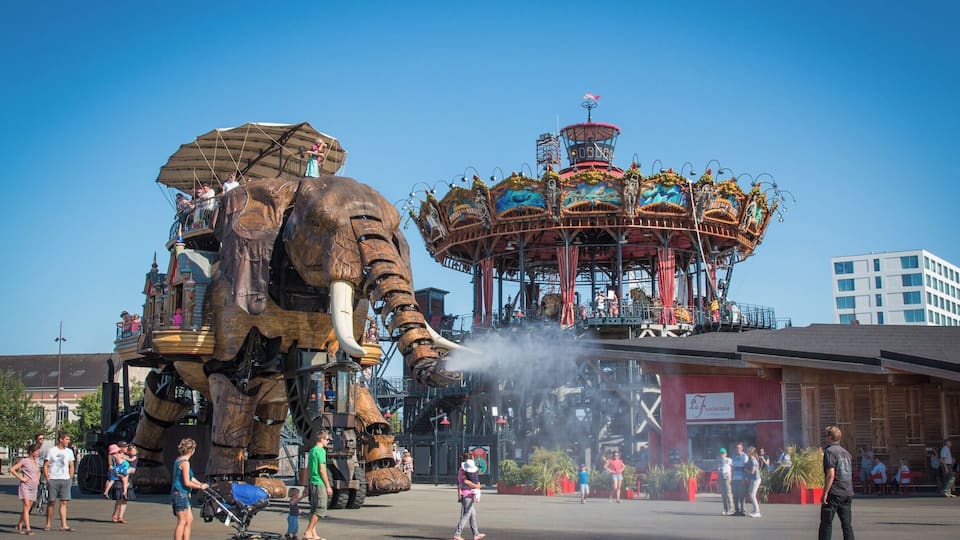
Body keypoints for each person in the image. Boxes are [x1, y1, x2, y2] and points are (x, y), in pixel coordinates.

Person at [819, 425, 855, 540]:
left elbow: (831, 474)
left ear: (830, 437)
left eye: (826, 436)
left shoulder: (829, 452)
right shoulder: (846, 452)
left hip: (834, 492)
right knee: (847, 525)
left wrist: (825, 493)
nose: (825, 438)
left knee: (826, 523)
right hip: (847, 491)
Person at [171, 438, 209, 540]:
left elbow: (191, 477)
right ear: (192, 450)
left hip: (182, 493)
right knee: (182, 520)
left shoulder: (179, 459)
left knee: (189, 519)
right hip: (180, 493)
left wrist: (201, 483)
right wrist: (200, 487)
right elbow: (187, 482)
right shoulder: (185, 463)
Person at [42, 431, 75, 532]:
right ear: (60, 439)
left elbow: (71, 465)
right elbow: (46, 465)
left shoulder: (69, 451)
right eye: (66, 439)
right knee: (51, 502)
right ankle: (48, 524)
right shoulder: (51, 451)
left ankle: (64, 524)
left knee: (64, 502)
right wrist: (48, 479)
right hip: (53, 478)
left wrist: (70, 477)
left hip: (65, 479)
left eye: (69, 440)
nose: (68, 442)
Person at [304, 430, 333, 540]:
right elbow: (322, 470)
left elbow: (308, 468)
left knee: (314, 509)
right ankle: (308, 531)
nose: (328, 441)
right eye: (327, 439)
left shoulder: (312, 451)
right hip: (319, 483)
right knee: (320, 509)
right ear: (321, 439)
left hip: (312, 482)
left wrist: (306, 485)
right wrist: (328, 486)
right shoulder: (321, 451)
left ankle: (313, 534)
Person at [12, 442, 42, 535]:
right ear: (31, 452)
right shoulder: (25, 461)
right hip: (25, 486)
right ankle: (28, 528)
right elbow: (12, 469)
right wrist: (21, 478)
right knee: (26, 505)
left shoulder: (36, 461)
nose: (37, 453)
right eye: (36, 451)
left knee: (28, 507)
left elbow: (38, 472)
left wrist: (38, 479)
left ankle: (19, 524)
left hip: (34, 486)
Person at [453, 458, 485, 540]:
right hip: (467, 495)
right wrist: (477, 486)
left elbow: (460, 484)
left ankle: (476, 534)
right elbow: (467, 483)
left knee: (472, 514)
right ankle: (457, 534)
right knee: (467, 515)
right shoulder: (465, 475)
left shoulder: (463, 472)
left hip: (467, 495)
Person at [730, 442, 747, 516]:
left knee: (742, 495)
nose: (738, 449)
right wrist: (731, 478)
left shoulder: (745, 456)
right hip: (735, 478)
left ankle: (743, 511)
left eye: (739, 448)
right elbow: (732, 468)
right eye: (737, 448)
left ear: (742, 448)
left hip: (741, 479)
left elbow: (745, 468)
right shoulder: (733, 457)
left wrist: (744, 478)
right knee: (735, 495)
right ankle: (737, 510)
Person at [745, 446, 762, 518]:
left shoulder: (753, 460)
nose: (747, 452)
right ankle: (754, 510)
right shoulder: (750, 459)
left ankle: (757, 512)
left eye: (748, 451)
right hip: (753, 479)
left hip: (756, 479)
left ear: (751, 452)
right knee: (750, 493)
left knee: (752, 495)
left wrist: (746, 470)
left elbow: (752, 472)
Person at [717, 448, 733, 516]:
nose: (722, 454)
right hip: (721, 477)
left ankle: (731, 509)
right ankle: (725, 509)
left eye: (723, 453)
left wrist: (731, 476)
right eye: (721, 453)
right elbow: (719, 469)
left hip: (727, 477)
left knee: (728, 493)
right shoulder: (719, 461)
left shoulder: (729, 460)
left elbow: (732, 467)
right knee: (723, 494)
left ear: (726, 454)